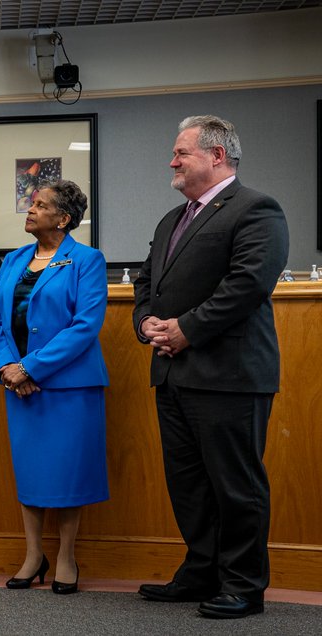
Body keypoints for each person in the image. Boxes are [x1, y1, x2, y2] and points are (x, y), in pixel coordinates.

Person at [133, 115, 288, 619]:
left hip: (230, 375)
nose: (172, 161)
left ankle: (243, 585)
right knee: (190, 484)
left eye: (181, 152)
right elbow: (144, 284)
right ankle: (201, 571)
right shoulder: (171, 220)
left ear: (217, 155)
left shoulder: (256, 209)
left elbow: (247, 285)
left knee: (236, 485)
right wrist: (147, 324)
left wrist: (186, 330)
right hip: (173, 374)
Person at [0, 179, 109, 595]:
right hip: (18, 387)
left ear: (64, 218)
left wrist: (31, 368)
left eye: (40, 205)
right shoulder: (14, 260)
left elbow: (84, 326)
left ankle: (67, 556)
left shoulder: (87, 260)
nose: (30, 211)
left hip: (68, 387)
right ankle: (34, 555)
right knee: (31, 471)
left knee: (69, 472)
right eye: (31, 204)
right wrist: (6, 369)